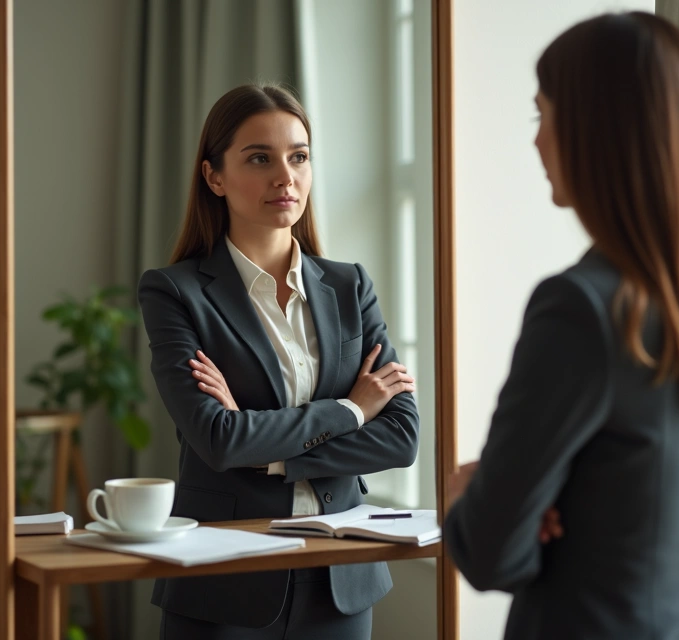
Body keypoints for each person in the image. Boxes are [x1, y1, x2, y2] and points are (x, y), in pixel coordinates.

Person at [443, 12, 679, 640]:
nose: (535, 142)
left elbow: (490, 552)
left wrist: (467, 489)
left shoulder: (580, 309)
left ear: (594, 132)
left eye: (541, 116)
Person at [137, 83, 420, 640]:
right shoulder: (175, 291)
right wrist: (350, 410)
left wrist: (269, 452)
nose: (284, 176)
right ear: (214, 176)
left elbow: (402, 438)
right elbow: (216, 439)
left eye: (298, 156)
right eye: (259, 158)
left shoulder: (350, 286)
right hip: (225, 578)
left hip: (340, 576)